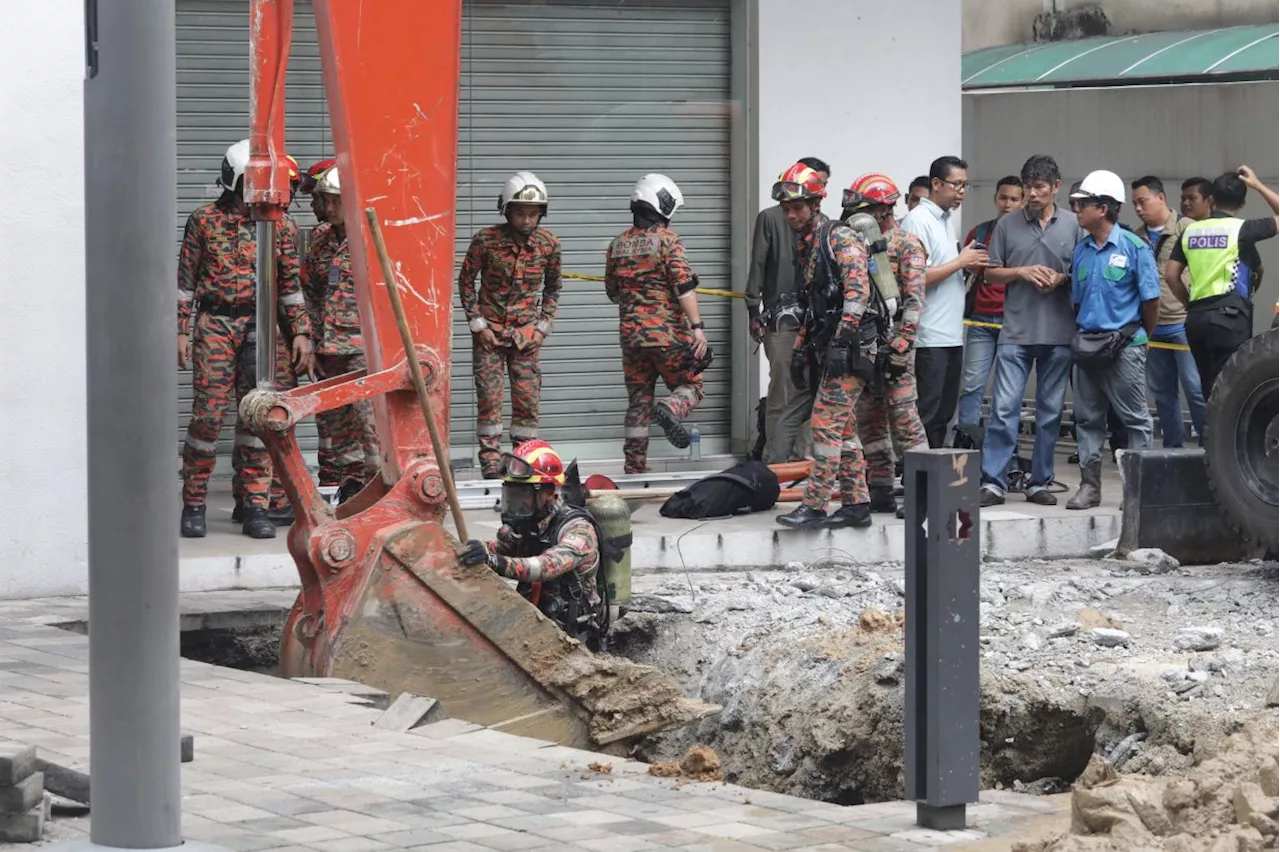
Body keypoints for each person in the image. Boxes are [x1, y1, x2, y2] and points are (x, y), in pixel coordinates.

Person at [177, 139, 313, 539]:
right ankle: (194, 503)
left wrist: (301, 332)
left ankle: (254, 506)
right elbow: (184, 284)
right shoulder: (204, 221)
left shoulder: (281, 225)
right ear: (234, 181)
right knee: (208, 416)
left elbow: (290, 287)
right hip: (216, 325)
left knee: (259, 418)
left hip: (264, 327)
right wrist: (180, 331)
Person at [770, 163, 874, 529]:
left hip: (854, 346)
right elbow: (815, 303)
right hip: (831, 344)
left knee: (825, 425)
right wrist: (801, 347)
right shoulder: (808, 244)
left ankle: (814, 505)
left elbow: (858, 291)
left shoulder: (838, 237)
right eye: (785, 209)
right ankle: (857, 504)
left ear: (815, 205)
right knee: (843, 430)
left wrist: (844, 338)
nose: (790, 215)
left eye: (797, 207)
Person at [978, 155, 1078, 508]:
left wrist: (1061, 278)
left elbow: (1082, 273)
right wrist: (1021, 272)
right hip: (1015, 334)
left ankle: (1039, 481)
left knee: (1050, 413)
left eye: (1039, 187)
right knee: (1004, 410)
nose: (1032, 195)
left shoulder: (1074, 224)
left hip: (1059, 335)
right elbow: (990, 273)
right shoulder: (1006, 226)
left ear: (1056, 187)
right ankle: (993, 482)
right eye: (1028, 188)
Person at [458, 171, 563, 478]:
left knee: (527, 403)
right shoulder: (486, 240)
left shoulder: (549, 244)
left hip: (526, 337)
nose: (527, 220)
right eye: (520, 213)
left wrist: (543, 328)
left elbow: (553, 288)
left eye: (533, 214)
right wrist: (478, 325)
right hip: (489, 335)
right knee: (489, 402)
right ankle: (490, 463)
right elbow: (466, 281)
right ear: (506, 209)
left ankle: (524, 459)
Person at [1065, 171, 1160, 510]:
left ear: (1103, 208)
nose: (1076, 209)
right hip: (1087, 346)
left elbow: (1151, 301)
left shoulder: (1135, 249)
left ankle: (1137, 493)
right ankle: (1090, 488)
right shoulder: (1082, 251)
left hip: (1125, 348)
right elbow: (1076, 301)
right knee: (1087, 420)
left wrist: (1138, 338)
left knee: (1135, 420)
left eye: (1083, 203)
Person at [458, 440, 607, 649]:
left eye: (523, 495)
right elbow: (500, 549)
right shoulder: (532, 524)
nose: (516, 503)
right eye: (511, 495)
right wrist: (475, 550)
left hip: (572, 638)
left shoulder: (578, 531)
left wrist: (494, 561)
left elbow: (546, 566)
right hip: (534, 625)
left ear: (547, 493)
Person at [605, 174, 708, 474]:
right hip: (667, 336)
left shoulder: (617, 244)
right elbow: (683, 288)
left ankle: (634, 467)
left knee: (638, 401)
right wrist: (697, 327)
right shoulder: (668, 242)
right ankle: (670, 408)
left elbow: (612, 292)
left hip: (631, 339)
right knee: (692, 386)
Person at [842, 173, 929, 519]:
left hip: (895, 346)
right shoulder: (859, 244)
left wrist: (903, 344)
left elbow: (915, 299)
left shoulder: (907, 244)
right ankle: (879, 488)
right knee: (870, 420)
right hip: (866, 346)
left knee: (905, 420)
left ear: (882, 210)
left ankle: (922, 493)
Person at [301, 166, 381, 504]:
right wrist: (312, 339)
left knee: (370, 420)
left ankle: (379, 480)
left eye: (337, 202)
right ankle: (350, 482)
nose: (330, 209)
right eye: (325, 202)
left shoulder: (371, 238)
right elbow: (311, 293)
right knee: (338, 421)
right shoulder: (320, 241)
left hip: (363, 345)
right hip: (329, 345)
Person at [1165, 167, 1280, 397]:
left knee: (1209, 389)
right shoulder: (1242, 229)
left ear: (1212, 199)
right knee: (1230, 393)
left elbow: (1171, 275)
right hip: (1229, 317)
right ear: (1242, 203)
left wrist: (1189, 303)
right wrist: (1256, 184)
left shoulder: (1190, 231)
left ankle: (1208, 432)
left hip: (1196, 318)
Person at [746, 156, 830, 464]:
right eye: (788, 206)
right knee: (781, 391)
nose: (792, 212)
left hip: (816, 327)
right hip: (782, 322)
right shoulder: (771, 218)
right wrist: (753, 308)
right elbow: (757, 263)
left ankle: (803, 460)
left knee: (810, 396)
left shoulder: (829, 232)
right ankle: (774, 461)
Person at [901, 156, 989, 448]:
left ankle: (934, 483)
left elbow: (942, 268)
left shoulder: (945, 220)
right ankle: (916, 481)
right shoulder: (918, 220)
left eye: (965, 185)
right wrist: (960, 261)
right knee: (926, 414)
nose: (962, 191)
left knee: (943, 415)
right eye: (956, 184)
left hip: (950, 333)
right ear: (936, 184)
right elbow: (913, 277)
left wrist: (966, 265)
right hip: (929, 336)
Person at [1130, 175, 1205, 448]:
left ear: (1160, 198)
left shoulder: (1189, 228)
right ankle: (1173, 451)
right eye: (1135, 203)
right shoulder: (1134, 237)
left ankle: (1209, 449)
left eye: (1143, 201)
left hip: (1184, 323)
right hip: (1151, 327)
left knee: (1196, 390)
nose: (1138, 208)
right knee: (1162, 394)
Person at [956, 176, 1024, 428]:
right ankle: (967, 441)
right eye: (1003, 198)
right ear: (995, 199)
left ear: (1023, 202)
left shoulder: (1028, 234)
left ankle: (1005, 446)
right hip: (980, 319)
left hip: (1014, 322)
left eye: (1014, 199)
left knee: (1008, 391)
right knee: (972, 384)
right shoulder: (980, 232)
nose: (1007, 204)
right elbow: (962, 269)